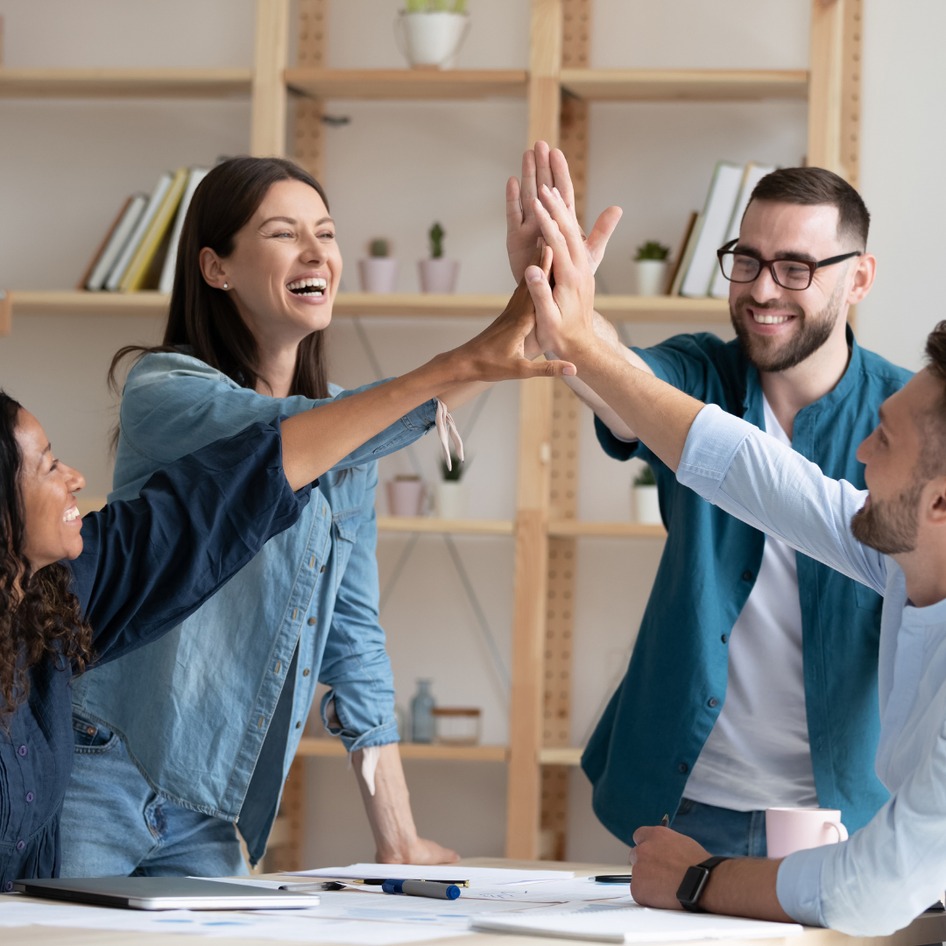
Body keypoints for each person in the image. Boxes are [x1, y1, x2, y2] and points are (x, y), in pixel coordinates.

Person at [59, 156, 577, 878]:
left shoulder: (349, 437)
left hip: (209, 800)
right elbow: (282, 442)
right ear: (216, 268)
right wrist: (491, 340)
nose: (316, 253)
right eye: (283, 233)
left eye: (326, 234)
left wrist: (397, 836)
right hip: (96, 770)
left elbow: (354, 639)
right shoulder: (166, 391)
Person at [522, 180, 946, 935]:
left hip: (839, 819)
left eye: (794, 267)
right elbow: (757, 475)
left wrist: (701, 882)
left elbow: (873, 888)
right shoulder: (889, 536)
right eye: (746, 261)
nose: (761, 288)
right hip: (686, 796)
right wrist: (574, 328)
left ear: (859, 278)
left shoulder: (906, 432)